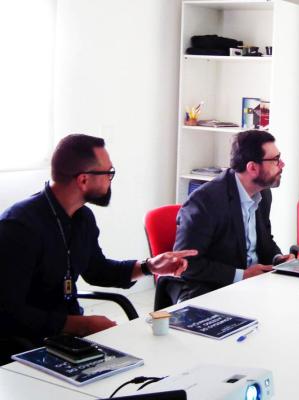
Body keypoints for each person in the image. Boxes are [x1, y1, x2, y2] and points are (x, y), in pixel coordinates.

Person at [0, 134, 196, 362]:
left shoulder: (82, 217)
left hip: (67, 339)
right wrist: (79, 325)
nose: (111, 179)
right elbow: (7, 312)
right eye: (108, 173)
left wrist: (149, 266)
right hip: (24, 345)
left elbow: (97, 270)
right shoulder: (19, 226)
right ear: (83, 180)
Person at [174, 130, 293, 300]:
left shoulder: (263, 193)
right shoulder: (205, 202)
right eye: (275, 159)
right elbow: (187, 263)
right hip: (213, 290)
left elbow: (265, 240)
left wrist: (278, 258)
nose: (282, 164)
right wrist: (242, 275)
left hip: (255, 286)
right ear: (252, 167)